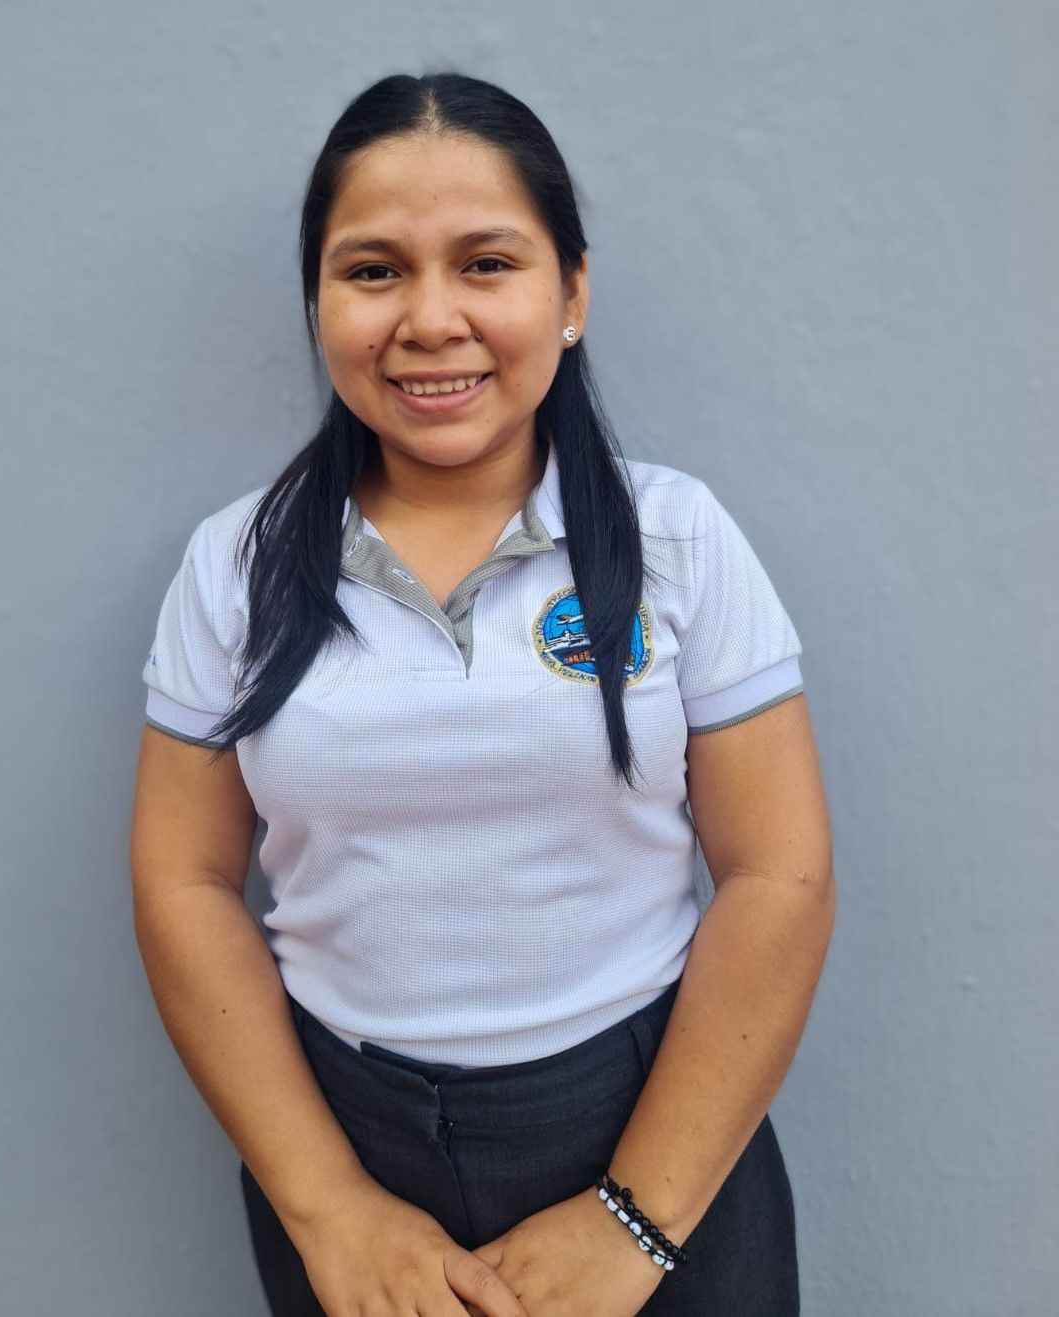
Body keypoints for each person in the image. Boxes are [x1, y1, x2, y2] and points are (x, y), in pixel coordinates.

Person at [130, 70, 835, 1317]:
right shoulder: (232, 567)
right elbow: (183, 882)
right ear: (318, 301)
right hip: (346, 1147)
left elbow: (780, 875)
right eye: (374, 270)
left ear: (570, 294)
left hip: (656, 1136)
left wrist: (635, 1222)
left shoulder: (678, 540)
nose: (431, 319)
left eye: (487, 263)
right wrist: (329, 1207)